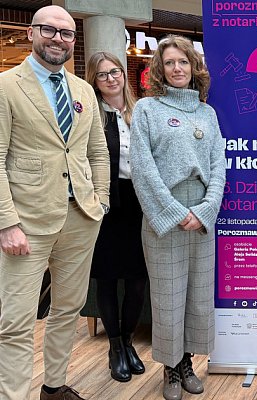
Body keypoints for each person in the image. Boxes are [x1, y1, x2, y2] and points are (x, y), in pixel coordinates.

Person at [0, 5, 109, 400]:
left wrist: (101, 201)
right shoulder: (6, 86)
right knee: (15, 322)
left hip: (81, 217)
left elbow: (97, 152)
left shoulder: (83, 90)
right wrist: (6, 222)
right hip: (26, 223)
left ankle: (54, 386)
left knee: (68, 309)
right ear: (31, 33)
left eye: (67, 33)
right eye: (49, 30)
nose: (58, 39)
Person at [130, 34, 226, 400]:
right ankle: (170, 368)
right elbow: (142, 168)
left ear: (194, 66)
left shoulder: (207, 113)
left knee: (198, 296)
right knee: (168, 297)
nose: (176, 68)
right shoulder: (147, 109)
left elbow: (218, 166)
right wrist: (172, 211)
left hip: (201, 215)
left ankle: (187, 362)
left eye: (183, 61)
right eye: (169, 62)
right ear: (160, 69)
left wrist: (205, 210)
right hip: (163, 215)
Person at [85, 51, 148, 382]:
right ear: (94, 81)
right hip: (107, 205)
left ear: (124, 74)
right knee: (107, 279)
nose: (111, 79)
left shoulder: (143, 111)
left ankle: (128, 341)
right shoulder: (92, 115)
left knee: (137, 281)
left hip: (140, 204)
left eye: (115, 72)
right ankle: (114, 347)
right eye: (102, 74)